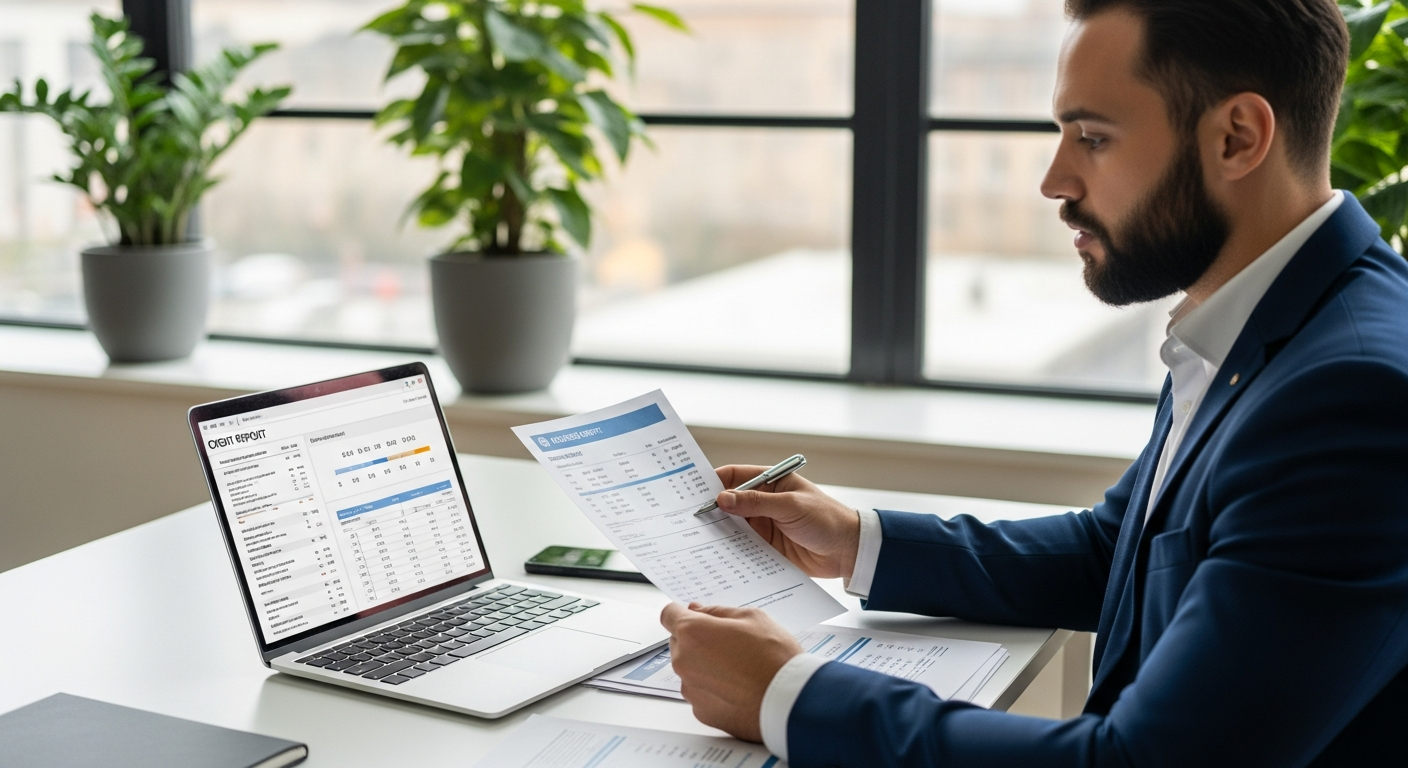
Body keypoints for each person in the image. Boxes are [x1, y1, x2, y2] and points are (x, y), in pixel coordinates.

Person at [659, 1, 1408, 765]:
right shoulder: (1265, 316)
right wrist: (857, 543)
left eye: (1093, 138)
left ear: (1236, 137)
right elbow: (1121, 549)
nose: (1054, 180)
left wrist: (786, 694)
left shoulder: (1351, 396)